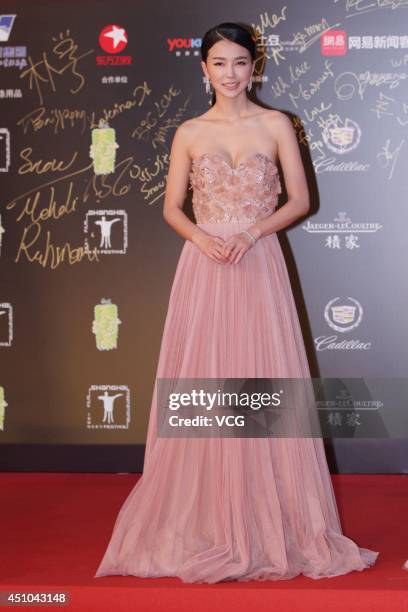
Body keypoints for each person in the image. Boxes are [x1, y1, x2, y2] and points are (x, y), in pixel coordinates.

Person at [94, 22, 379, 583]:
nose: (230, 73)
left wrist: (250, 234)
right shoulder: (189, 132)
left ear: (256, 67)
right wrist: (203, 239)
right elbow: (173, 207)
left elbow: (300, 199)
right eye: (219, 63)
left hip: (258, 262)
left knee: (263, 382)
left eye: (240, 63)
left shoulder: (276, 125)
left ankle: (272, 523)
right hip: (204, 268)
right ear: (204, 69)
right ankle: (208, 522)